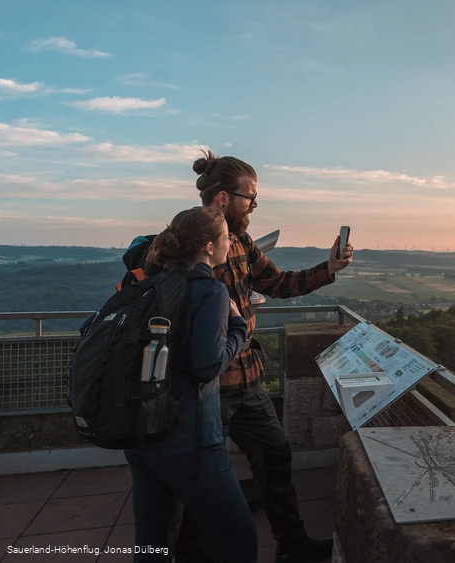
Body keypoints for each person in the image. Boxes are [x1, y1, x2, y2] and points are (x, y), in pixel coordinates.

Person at [143, 150, 354, 563]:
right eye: (250, 197)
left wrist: (328, 268)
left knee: (275, 455)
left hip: (246, 379)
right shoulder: (180, 241)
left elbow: (278, 283)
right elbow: (155, 290)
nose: (255, 205)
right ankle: (189, 553)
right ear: (223, 199)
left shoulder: (239, 243)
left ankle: (291, 547)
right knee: (202, 480)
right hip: (204, 389)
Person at [124, 206, 257, 563]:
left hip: (141, 432)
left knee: (152, 541)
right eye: (226, 236)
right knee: (238, 540)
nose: (232, 240)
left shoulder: (152, 284)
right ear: (210, 248)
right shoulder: (210, 291)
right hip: (188, 437)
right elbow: (207, 365)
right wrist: (238, 325)